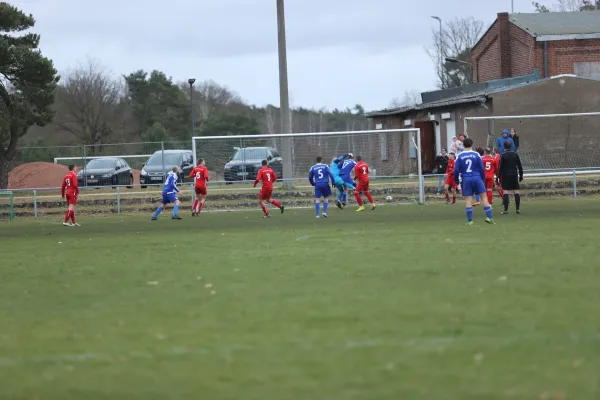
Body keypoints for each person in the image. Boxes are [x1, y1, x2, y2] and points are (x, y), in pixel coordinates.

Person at [454, 138, 494, 225]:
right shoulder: (476, 154)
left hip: (466, 178)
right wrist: (482, 179)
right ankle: (489, 218)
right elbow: (481, 168)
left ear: (463, 145)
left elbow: (456, 170)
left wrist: (456, 180)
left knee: (468, 200)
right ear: (472, 144)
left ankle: (470, 221)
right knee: (484, 198)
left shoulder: (459, 156)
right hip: (477, 177)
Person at [497, 140, 524, 215]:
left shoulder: (503, 155)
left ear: (504, 146)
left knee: (506, 191)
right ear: (511, 146)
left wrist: (498, 177)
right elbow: (519, 166)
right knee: (516, 191)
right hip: (514, 174)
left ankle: (506, 210)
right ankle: (517, 209)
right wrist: (521, 175)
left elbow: (500, 168)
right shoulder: (515, 154)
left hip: (506, 175)